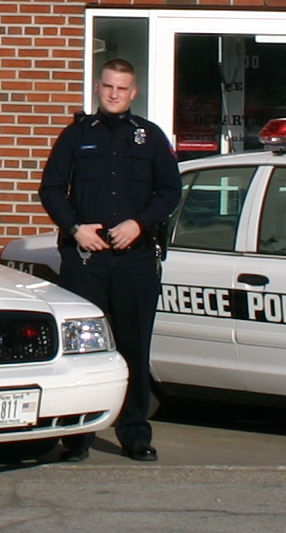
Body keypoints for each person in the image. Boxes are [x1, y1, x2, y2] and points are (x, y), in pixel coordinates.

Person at [37, 58, 180, 461]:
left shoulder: (149, 137)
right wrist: (75, 227)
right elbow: (50, 189)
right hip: (87, 262)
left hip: (135, 261)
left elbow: (170, 191)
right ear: (98, 88)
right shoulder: (77, 135)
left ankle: (134, 433)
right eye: (108, 87)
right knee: (82, 349)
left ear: (133, 93)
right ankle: (77, 435)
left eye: (122, 88)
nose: (114, 94)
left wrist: (139, 223)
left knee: (134, 348)